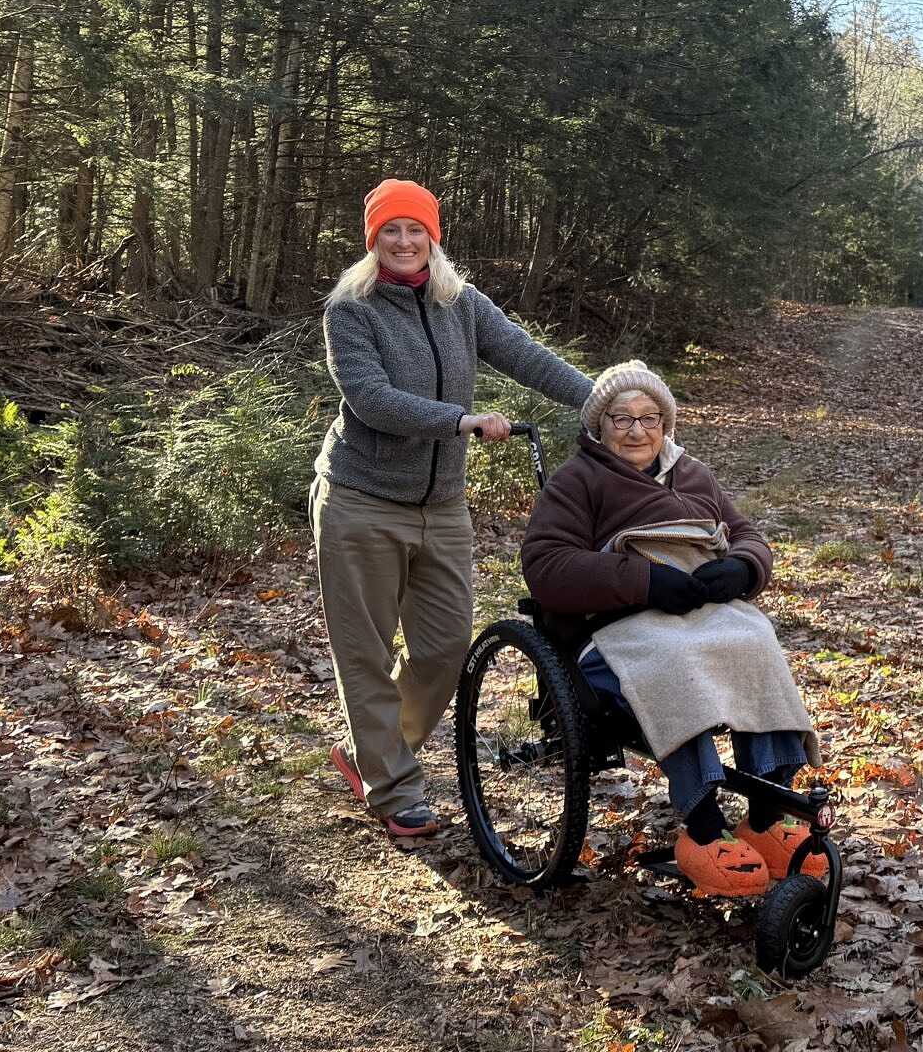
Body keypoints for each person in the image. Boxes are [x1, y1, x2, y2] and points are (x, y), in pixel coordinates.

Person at [313, 180, 593, 840]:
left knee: (443, 648)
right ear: (372, 239)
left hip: (440, 506)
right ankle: (393, 785)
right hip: (360, 500)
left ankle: (375, 753)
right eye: (390, 231)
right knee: (367, 653)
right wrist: (461, 420)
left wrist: (609, 400)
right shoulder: (350, 310)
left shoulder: (460, 302)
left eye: (416, 230)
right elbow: (372, 399)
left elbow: (525, 355)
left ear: (433, 237)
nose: (404, 241)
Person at [520, 361, 822, 898]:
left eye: (650, 417)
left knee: (754, 638)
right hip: (619, 626)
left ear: (666, 422)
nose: (637, 430)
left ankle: (770, 813)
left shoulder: (692, 472)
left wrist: (744, 567)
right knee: (672, 657)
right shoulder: (579, 481)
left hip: (703, 611)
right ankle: (704, 828)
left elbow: (747, 533)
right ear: (599, 425)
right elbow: (545, 564)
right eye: (622, 418)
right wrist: (642, 581)